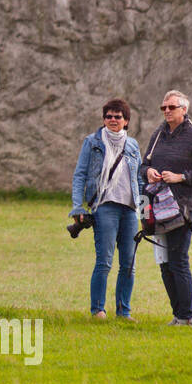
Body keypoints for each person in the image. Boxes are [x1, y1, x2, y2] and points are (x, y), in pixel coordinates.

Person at [139, 90, 192, 326]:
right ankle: (178, 315)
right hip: (155, 208)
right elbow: (142, 166)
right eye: (163, 107)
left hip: (182, 209)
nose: (166, 111)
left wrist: (180, 177)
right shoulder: (157, 135)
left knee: (178, 260)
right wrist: (148, 173)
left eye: (171, 107)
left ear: (184, 110)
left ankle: (186, 316)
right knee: (164, 264)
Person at [70, 98, 142, 320]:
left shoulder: (132, 145)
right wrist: (77, 207)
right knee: (105, 261)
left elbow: (139, 178)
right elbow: (80, 174)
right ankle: (98, 310)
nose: (113, 120)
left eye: (117, 117)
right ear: (103, 119)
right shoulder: (92, 142)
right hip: (104, 208)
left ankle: (124, 312)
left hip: (129, 210)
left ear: (126, 121)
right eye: (108, 116)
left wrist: (145, 210)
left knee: (129, 264)